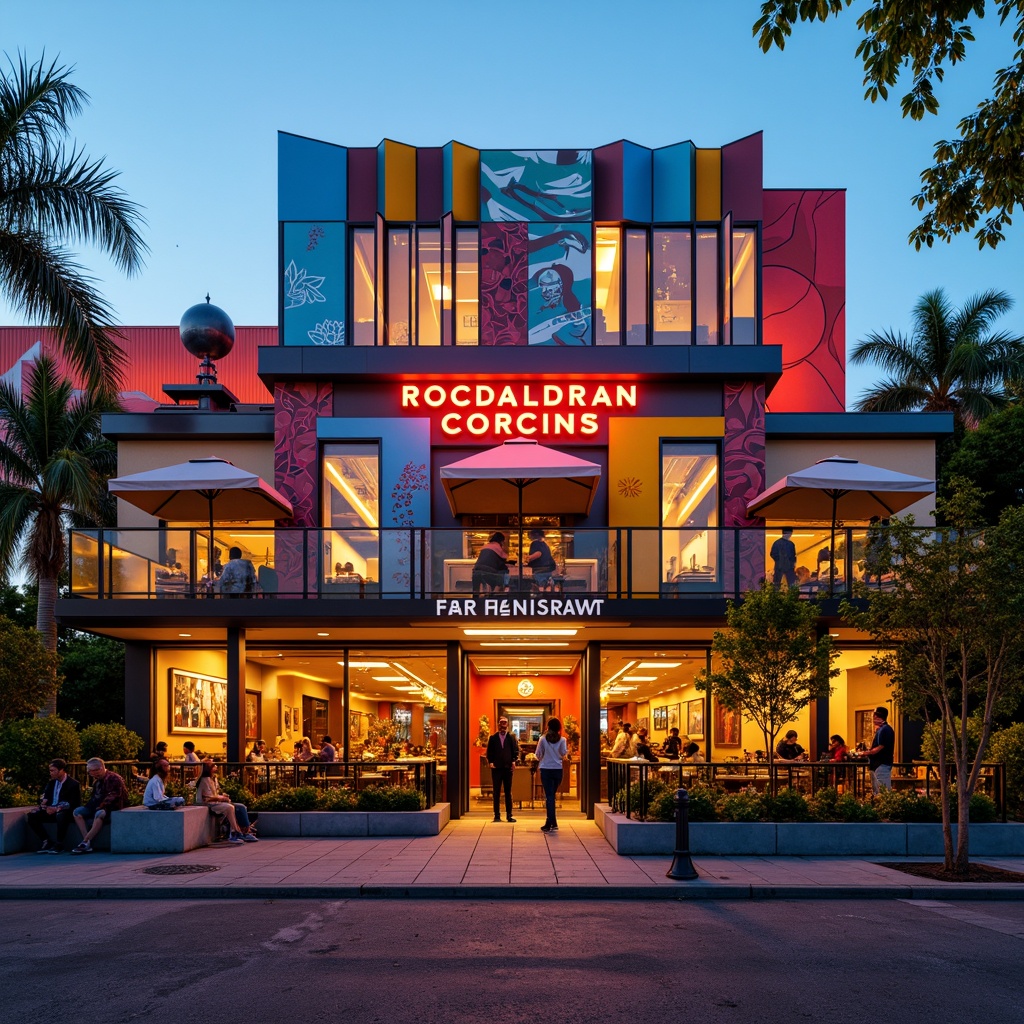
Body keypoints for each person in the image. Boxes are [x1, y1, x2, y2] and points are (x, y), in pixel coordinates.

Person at [71, 758, 129, 854]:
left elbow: (115, 796)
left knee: (99, 813)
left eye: (92, 771)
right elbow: (94, 797)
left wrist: (102, 806)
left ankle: (85, 842)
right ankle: (87, 840)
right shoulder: (97, 781)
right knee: (77, 812)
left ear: (100, 769)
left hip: (112, 807)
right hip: (97, 805)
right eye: (90, 772)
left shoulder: (113, 778)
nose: (91, 774)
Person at [26, 759, 82, 854]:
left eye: (53, 770)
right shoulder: (51, 783)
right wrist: (43, 805)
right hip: (50, 810)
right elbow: (46, 797)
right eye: (50, 770)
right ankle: (46, 841)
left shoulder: (73, 784)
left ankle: (59, 844)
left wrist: (56, 808)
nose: (50, 773)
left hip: (66, 812)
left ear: (61, 770)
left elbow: (73, 803)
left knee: (60, 815)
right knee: (32, 816)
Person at [195, 761, 257, 843]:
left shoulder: (212, 779)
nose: (216, 767)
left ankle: (245, 830)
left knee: (241, 807)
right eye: (213, 765)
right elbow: (207, 798)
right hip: (210, 805)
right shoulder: (204, 781)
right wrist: (222, 798)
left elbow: (214, 794)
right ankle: (236, 832)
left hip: (216, 803)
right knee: (230, 807)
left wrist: (222, 797)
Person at [536, 717, 568, 833]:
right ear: (559, 728)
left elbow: (538, 754)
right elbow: (564, 753)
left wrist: (545, 756)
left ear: (548, 727)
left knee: (549, 797)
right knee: (551, 796)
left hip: (546, 769)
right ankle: (552, 823)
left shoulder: (543, 739)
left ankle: (550, 822)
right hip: (558, 770)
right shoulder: (563, 740)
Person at [486, 715, 519, 823]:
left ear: (507, 725)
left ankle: (509, 815)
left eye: (505, 722)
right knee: (496, 792)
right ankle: (497, 815)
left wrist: (514, 760)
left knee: (508, 792)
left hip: (507, 768)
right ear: (498, 724)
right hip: (496, 768)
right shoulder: (493, 738)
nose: (503, 725)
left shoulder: (511, 738)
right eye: (501, 722)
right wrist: (490, 762)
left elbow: (515, 751)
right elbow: (489, 752)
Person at [864, 706, 895, 794]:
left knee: (883, 791)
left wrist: (865, 753)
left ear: (877, 717)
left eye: (874, 716)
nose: (873, 719)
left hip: (881, 765)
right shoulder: (882, 729)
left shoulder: (885, 729)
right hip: (878, 765)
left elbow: (880, 747)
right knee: (878, 791)